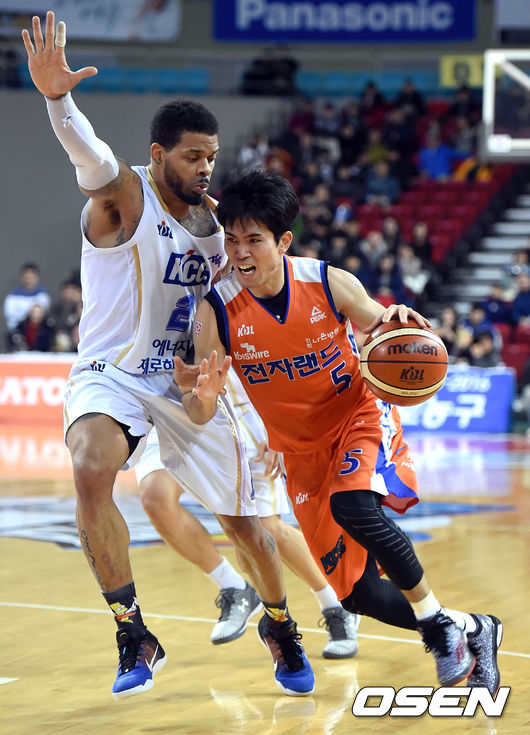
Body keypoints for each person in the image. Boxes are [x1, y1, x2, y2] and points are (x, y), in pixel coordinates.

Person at [21, 11, 314, 700]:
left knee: (246, 522)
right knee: (90, 468)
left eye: (211, 156)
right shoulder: (123, 196)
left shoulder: (218, 225)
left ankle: (280, 623)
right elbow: (90, 158)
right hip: (115, 374)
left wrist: (222, 385)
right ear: (158, 155)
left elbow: (252, 287)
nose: (204, 166)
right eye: (191, 156)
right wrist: (58, 101)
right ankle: (133, 632)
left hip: (187, 378)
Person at [176, 168, 503, 696]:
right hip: (300, 453)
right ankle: (472, 627)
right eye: (232, 240)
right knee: (357, 595)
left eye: (254, 240)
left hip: (357, 416)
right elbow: (196, 410)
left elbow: (385, 328)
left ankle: (439, 632)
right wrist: (204, 400)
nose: (240, 252)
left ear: (283, 241)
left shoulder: (329, 282)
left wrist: (396, 322)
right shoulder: (216, 310)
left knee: (354, 506)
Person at [136, 369, 360, 658]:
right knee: (155, 497)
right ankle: (233, 587)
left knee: (265, 530)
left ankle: (336, 604)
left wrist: (278, 426)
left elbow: (273, 357)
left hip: (241, 412)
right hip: (172, 414)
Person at [3, 262, 51, 349]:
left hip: (37, 331)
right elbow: (10, 314)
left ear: (36, 278)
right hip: (18, 330)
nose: (29, 279)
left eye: (31, 277)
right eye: (26, 277)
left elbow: (40, 311)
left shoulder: (42, 294)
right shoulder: (13, 295)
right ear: (22, 277)